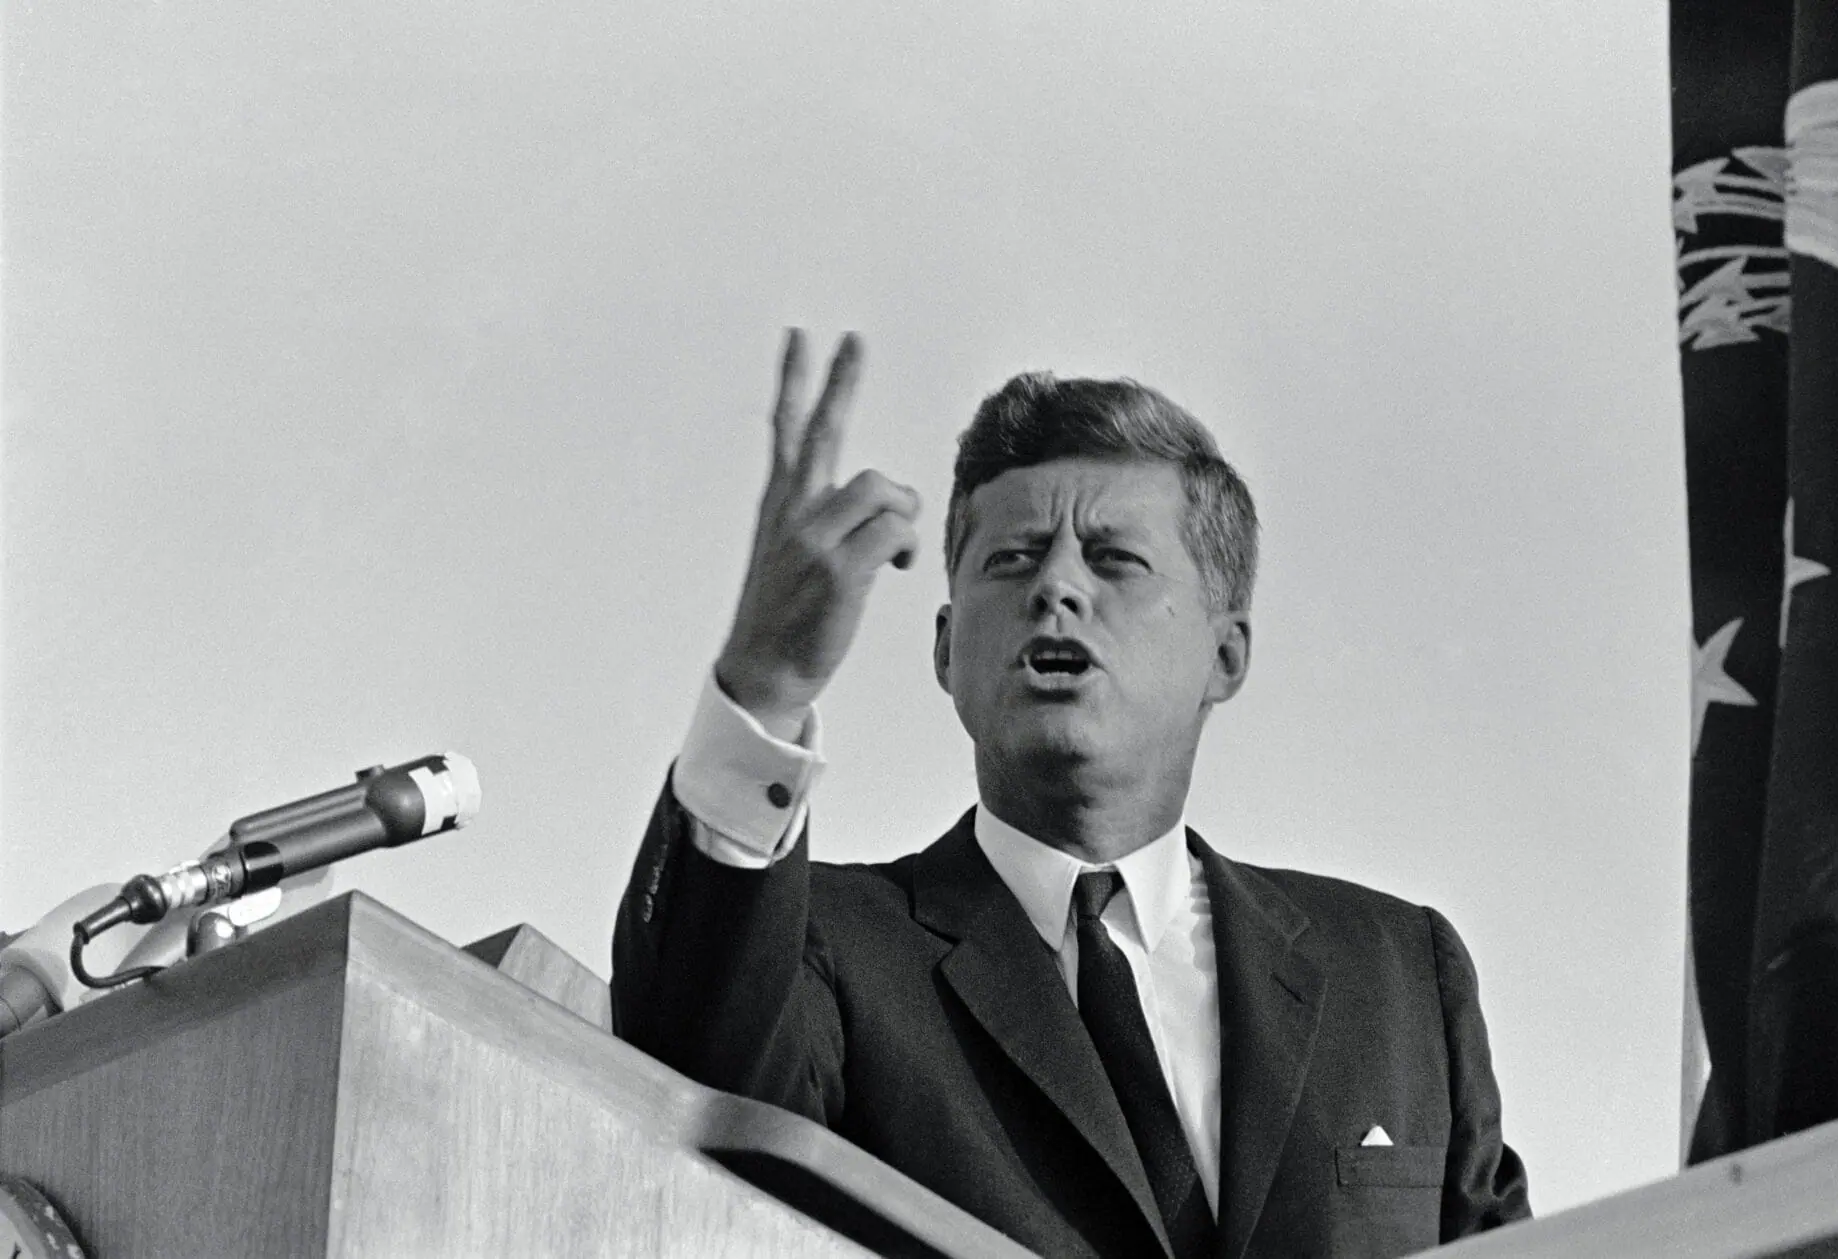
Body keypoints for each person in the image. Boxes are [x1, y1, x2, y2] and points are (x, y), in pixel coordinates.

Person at [612, 331, 1530, 1259]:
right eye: (1012, 558)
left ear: (1226, 653)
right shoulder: (826, 947)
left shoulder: (1399, 972)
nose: (1056, 585)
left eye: (1113, 558)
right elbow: (687, 1107)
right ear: (944, 648)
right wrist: (762, 685)